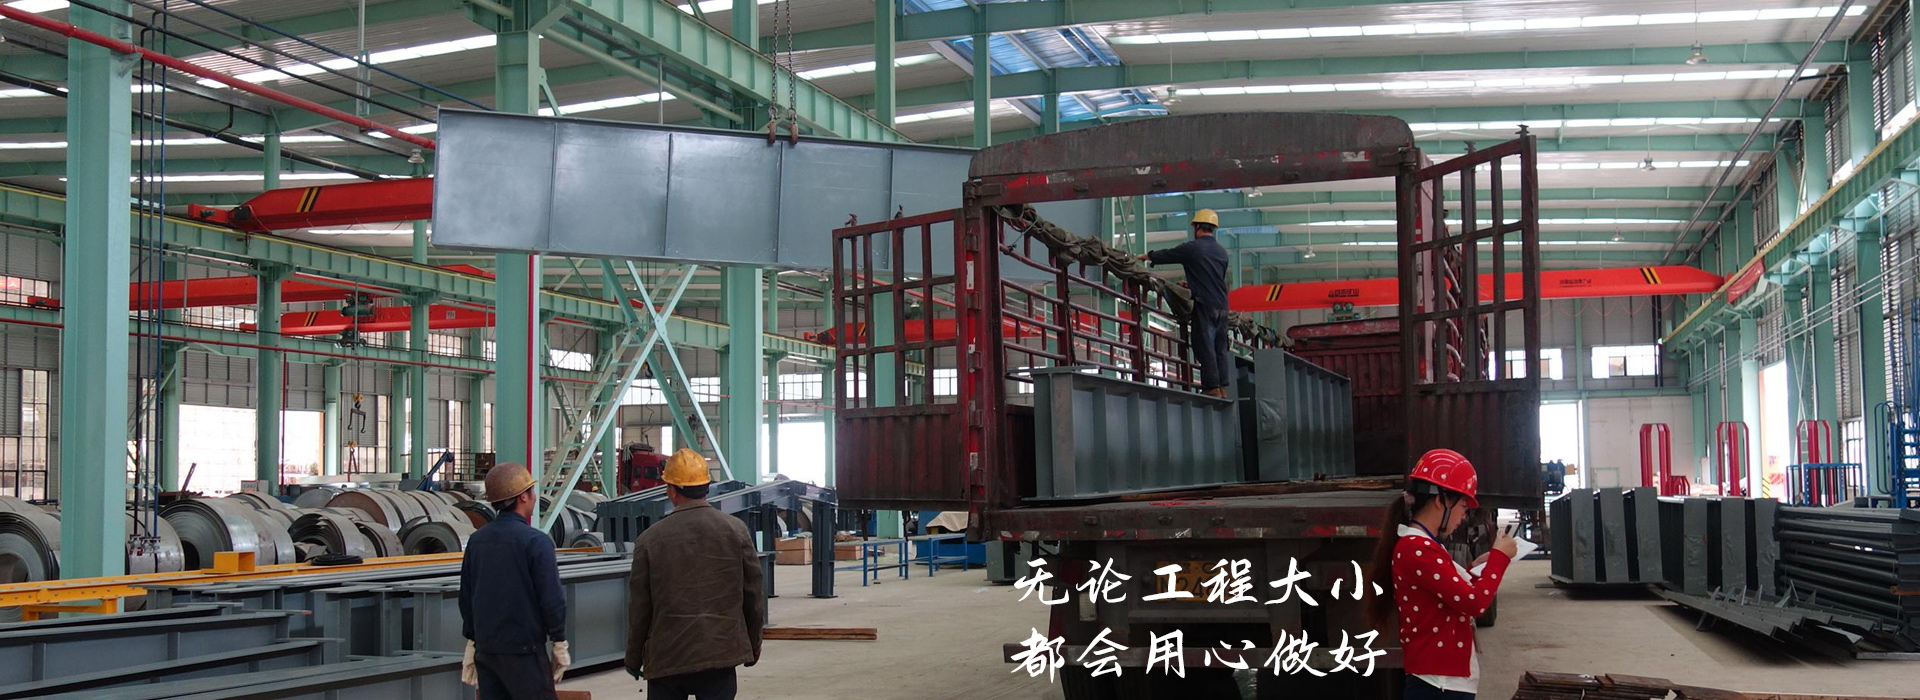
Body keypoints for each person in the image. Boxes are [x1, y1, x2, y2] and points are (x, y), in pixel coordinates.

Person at [1370, 449, 1518, 700]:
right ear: (1441, 501)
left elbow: (1449, 591)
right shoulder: (1416, 548)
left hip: (1441, 682)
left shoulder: (1422, 545)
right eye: (1462, 505)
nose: (1464, 515)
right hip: (1439, 685)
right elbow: (1474, 602)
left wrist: (1480, 567)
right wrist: (1499, 560)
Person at [626, 448, 765, 699]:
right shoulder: (736, 530)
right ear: (707, 487)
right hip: (720, 654)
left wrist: (634, 657)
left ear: (671, 490)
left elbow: (640, 608)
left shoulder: (649, 540)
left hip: (667, 658)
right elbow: (753, 594)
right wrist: (754, 643)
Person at [459, 463, 571, 700]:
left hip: (487, 652)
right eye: (532, 491)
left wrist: (472, 638)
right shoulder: (536, 542)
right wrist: (559, 641)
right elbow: (551, 599)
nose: (535, 497)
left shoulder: (476, 542)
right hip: (524, 654)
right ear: (523, 496)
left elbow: (467, 596)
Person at [1137, 208, 1233, 397]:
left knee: (1205, 344)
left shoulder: (1193, 248)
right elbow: (1214, 277)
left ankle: (1211, 388)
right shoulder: (1222, 252)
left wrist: (1147, 256)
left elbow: (1169, 254)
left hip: (1204, 303)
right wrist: (1192, 284)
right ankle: (1222, 387)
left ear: (1197, 227)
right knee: (1220, 347)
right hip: (1222, 304)